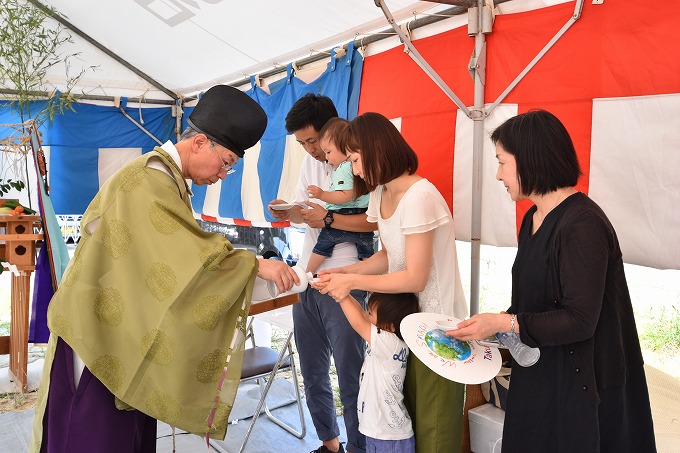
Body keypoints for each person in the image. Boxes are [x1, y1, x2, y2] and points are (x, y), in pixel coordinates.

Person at [29, 85, 301, 453]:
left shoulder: (167, 179)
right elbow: (187, 255)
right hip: (99, 334)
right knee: (91, 437)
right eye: (226, 163)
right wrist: (253, 263)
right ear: (200, 142)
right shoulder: (148, 178)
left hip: (122, 329)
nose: (224, 175)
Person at [449, 109, 657, 452]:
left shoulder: (582, 225)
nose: (498, 174)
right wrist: (492, 329)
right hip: (544, 373)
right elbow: (533, 303)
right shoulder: (533, 216)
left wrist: (506, 322)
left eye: (502, 162)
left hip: (585, 382)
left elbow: (579, 320)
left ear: (530, 159)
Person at [313, 112, 469, 453]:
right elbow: (389, 254)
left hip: (437, 329)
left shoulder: (420, 196)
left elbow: (415, 275)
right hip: (403, 325)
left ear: (376, 150)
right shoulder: (380, 192)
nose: (354, 170)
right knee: (406, 422)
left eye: (355, 159)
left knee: (434, 431)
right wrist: (345, 273)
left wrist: (352, 278)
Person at [268, 93, 375, 453]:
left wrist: (328, 217)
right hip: (309, 279)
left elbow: (374, 221)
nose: (311, 151)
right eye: (302, 144)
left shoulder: (361, 161)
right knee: (312, 369)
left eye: (313, 141)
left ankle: (360, 447)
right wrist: (289, 212)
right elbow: (304, 213)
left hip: (347, 279)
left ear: (332, 130)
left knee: (351, 374)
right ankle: (330, 444)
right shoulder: (310, 165)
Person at [334, 292, 419, 453]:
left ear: (390, 326)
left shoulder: (390, 342)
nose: (367, 316)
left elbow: (358, 322)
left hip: (389, 439)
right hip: (382, 432)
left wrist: (341, 297)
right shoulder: (388, 341)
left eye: (371, 314)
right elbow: (360, 314)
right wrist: (340, 291)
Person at [305, 117, 374, 275]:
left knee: (321, 247)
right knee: (367, 254)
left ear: (344, 146)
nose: (327, 158)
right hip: (363, 214)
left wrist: (322, 195)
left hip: (344, 213)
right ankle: (373, 285)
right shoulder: (357, 165)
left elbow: (345, 196)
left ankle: (307, 273)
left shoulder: (344, 168)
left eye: (328, 152)